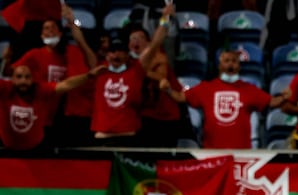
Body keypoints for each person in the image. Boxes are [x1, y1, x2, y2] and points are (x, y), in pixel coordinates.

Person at [160, 49, 285, 149]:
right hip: (212, 151)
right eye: (227, 61)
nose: (230, 64)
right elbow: (181, 97)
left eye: (234, 61)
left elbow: (272, 102)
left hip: (241, 151)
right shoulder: (206, 88)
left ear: (239, 66)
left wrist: (287, 95)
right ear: (219, 66)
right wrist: (168, 90)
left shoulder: (249, 89)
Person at [11, 5, 97, 147]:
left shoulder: (69, 53)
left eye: (53, 28)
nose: (50, 32)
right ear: (41, 34)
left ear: (61, 33)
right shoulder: (34, 55)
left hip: (66, 115)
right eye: (46, 28)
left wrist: (73, 23)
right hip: (40, 115)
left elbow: (92, 64)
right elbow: (12, 73)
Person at [91, 5, 173, 147]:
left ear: (127, 53)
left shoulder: (136, 69)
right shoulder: (99, 70)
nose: (116, 55)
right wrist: (71, 21)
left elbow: (155, 43)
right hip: (101, 137)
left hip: (128, 137)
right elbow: (81, 42)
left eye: (120, 51)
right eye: (112, 51)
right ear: (107, 54)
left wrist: (165, 18)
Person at [0, 64, 102, 151]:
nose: (23, 81)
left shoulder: (40, 90)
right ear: (12, 79)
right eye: (19, 77)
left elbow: (66, 84)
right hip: (7, 149)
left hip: (36, 149)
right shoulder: (5, 88)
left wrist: (89, 76)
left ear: (33, 79)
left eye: (27, 77)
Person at [127, 24, 183, 147]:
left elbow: (162, 77)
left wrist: (139, 71)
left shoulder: (158, 57)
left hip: (165, 117)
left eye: (140, 38)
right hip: (142, 117)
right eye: (132, 38)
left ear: (148, 43)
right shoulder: (127, 62)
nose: (136, 41)